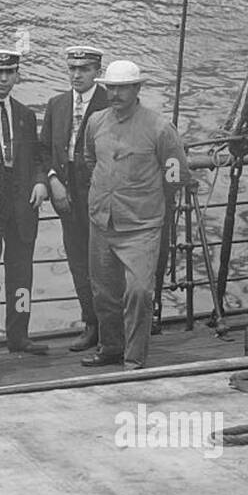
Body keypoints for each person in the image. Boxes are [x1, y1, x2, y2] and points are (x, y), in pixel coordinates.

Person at [79, 61, 191, 371]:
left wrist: (144, 198)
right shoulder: (96, 122)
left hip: (141, 225)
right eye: (110, 87)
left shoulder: (159, 128)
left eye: (122, 88)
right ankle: (111, 347)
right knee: (103, 292)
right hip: (102, 220)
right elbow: (91, 159)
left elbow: (176, 173)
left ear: (137, 89)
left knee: (140, 291)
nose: (114, 94)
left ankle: (134, 357)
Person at [0, 50, 49, 361]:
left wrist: (41, 181)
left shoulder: (25, 115)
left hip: (22, 209)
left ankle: (19, 335)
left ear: (17, 74)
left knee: (22, 277)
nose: (3, 79)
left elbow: (39, 157)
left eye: (10, 72)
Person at [39, 45, 110, 352]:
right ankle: (90, 323)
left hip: (99, 193)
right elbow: (43, 150)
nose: (77, 75)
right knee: (78, 260)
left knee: (104, 262)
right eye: (72, 69)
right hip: (66, 193)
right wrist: (53, 180)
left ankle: (111, 327)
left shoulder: (109, 101)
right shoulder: (57, 104)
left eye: (85, 69)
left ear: (98, 72)